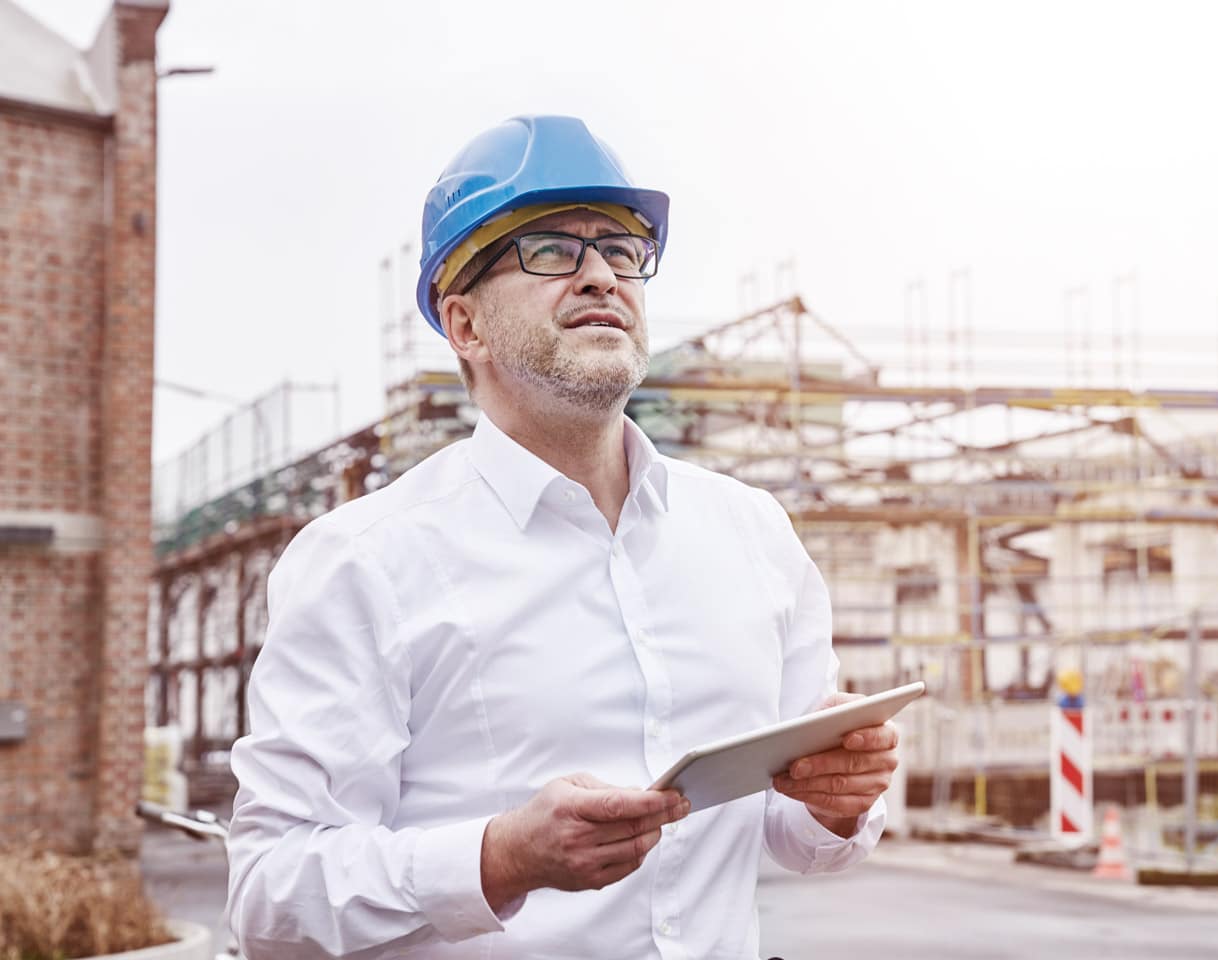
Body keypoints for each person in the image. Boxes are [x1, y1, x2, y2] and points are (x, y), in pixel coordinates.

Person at [226, 115, 901, 960]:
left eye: (622, 251)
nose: (600, 276)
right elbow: (267, 895)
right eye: (550, 249)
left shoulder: (751, 534)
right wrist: (499, 858)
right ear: (464, 323)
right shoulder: (366, 560)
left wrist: (836, 800)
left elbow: (801, 836)